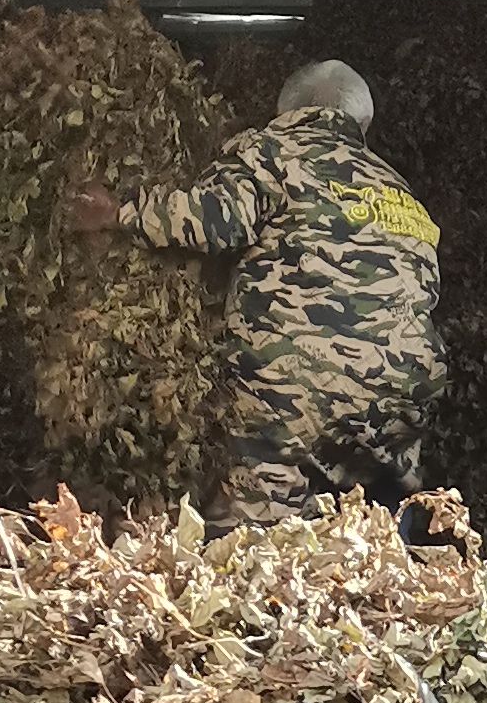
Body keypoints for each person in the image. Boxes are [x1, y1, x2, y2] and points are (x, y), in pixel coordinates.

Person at [68, 57, 445, 515]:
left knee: (258, 546)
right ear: (362, 122)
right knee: (374, 531)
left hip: (299, 385)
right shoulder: (399, 189)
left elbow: (215, 221)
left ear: (287, 111)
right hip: (405, 394)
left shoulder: (274, 150)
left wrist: (119, 212)